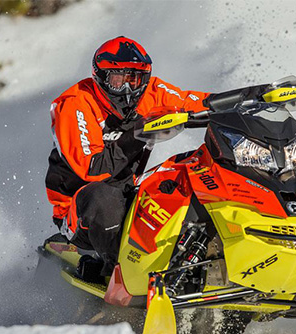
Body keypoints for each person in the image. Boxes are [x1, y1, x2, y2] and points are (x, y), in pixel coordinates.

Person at [45, 36, 212, 283]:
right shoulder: (75, 103)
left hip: (129, 192)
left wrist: (256, 97)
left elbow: (197, 102)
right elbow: (91, 168)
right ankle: (119, 276)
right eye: (118, 80)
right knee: (103, 197)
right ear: (101, 77)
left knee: (186, 173)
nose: (127, 89)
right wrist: (137, 134)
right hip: (78, 210)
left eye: (134, 79)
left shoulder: (151, 93)